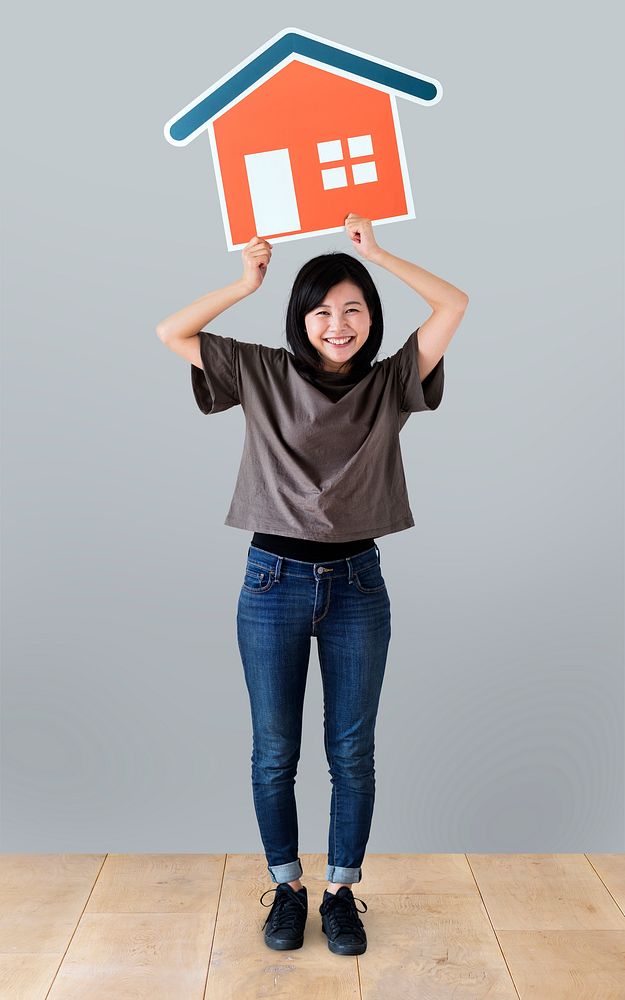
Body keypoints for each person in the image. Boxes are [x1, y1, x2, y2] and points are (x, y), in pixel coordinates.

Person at [156, 213, 469, 955]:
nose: (339, 324)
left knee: (351, 751)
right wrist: (244, 282)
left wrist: (380, 254)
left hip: (358, 583)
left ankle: (340, 894)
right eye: (323, 310)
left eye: (353, 308)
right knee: (274, 752)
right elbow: (171, 332)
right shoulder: (260, 370)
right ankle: (287, 889)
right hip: (272, 583)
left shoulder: (393, 380)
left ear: (370, 319)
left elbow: (453, 305)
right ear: (301, 318)